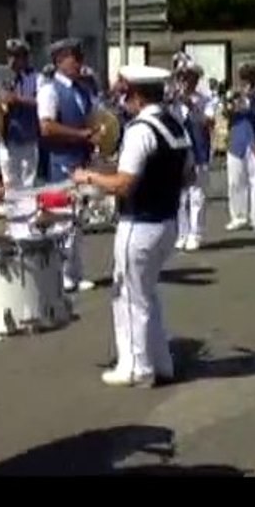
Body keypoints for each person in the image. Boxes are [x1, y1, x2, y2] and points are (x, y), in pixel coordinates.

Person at [71, 65, 190, 387]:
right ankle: (160, 360)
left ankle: (137, 366)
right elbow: (188, 174)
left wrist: (89, 177)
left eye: (125, 94)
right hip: (167, 219)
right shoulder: (174, 125)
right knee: (147, 293)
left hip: (140, 222)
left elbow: (123, 184)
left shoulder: (140, 129)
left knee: (128, 296)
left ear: (135, 94)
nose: (122, 100)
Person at [37, 37, 100, 293]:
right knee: (63, 219)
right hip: (60, 161)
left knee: (78, 219)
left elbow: (92, 118)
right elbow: (47, 126)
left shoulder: (82, 90)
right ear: (59, 60)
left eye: (79, 57)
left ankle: (75, 271)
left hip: (80, 160)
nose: (78, 63)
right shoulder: (50, 90)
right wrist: (80, 135)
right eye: (73, 58)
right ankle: (62, 273)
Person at [171, 60, 216, 252]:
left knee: (196, 195)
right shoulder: (173, 101)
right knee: (180, 197)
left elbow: (208, 122)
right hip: (178, 152)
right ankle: (182, 232)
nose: (184, 82)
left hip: (198, 151)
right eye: (181, 77)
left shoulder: (206, 100)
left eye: (188, 78)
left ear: (195, 80)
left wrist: (191, 106)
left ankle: (195, 233)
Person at [225, 62, 255, 234]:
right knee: (235, 181)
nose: (246, 78)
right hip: (237, 140)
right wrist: (232, 100)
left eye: (249, 74)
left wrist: (253, 97)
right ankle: (238, 216)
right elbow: (226, 112)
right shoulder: (233, 93)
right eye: (243, 74)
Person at [0, 39, 40, 191]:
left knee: (27, 186)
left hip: (27, 139)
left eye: (17, 56)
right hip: (8, 139)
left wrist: (18, 99)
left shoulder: (36, 78)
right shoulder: (2, 78)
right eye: (9, 56)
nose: (12, 61)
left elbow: (42, 102)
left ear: (25, 59)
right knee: (10, 185)